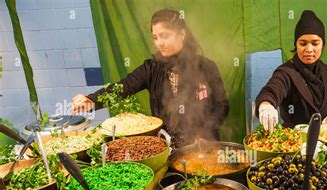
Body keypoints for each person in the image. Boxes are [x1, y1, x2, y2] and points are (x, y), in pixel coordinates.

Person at [71, 9, 229, 147]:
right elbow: (123, 87)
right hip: (167, 147)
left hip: (202, 145)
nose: (159, 43)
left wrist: (205, 133)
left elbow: (222, 105)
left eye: (164, 36)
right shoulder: (151, 68)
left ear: (181, 34)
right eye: (155, 37)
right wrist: (91, 100)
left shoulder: (206, 67)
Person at [255, 10, 327, 131]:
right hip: (294, 142)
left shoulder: (326, 71)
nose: (309, 49)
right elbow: (271, 90)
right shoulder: (286, 72)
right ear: (296, 44)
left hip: (326, 139)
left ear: (322, 45)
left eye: (315, 43)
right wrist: (266, 106)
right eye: (303, 43)